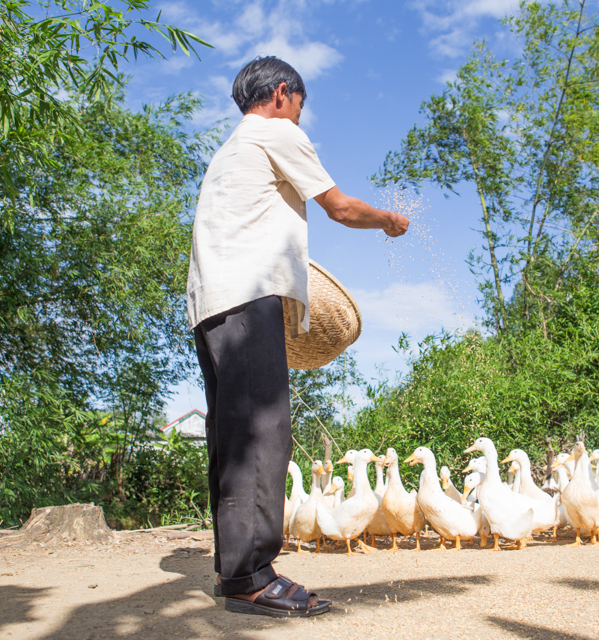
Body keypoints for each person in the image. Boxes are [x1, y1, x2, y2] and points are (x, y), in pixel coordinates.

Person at [186, 56, 408, 618]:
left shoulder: (230, 150)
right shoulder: (275, 131)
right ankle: (254, 578)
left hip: (210, 305)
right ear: (282, 94)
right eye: (301, 107)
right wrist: (387, 219)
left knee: (231, 436)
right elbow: (338, 207)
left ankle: (232, 570)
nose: (300, 118)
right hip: (249, 296)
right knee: (263, 433)